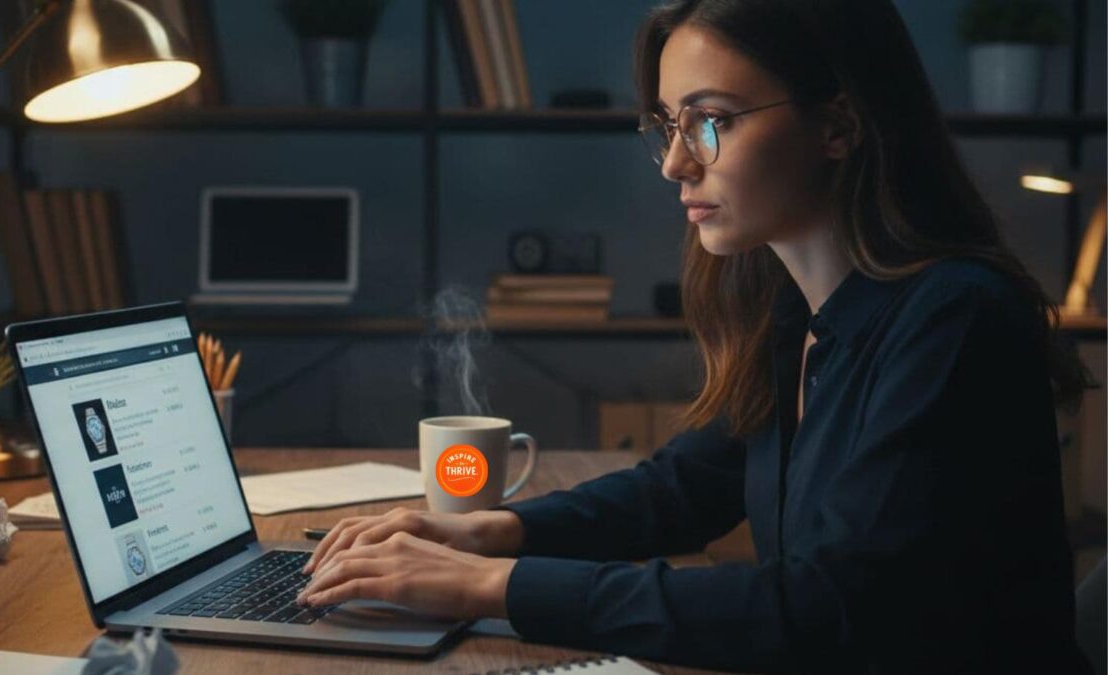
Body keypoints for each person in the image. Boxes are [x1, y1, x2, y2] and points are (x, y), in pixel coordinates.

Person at [295, 0, 1097, 671]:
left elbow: (829, 606)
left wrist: (485, 584)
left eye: (711, 120)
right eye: (669, 125)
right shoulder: (793, 313)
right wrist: (483, 530)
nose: (676, 163)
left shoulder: (956, 319)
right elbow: (680, 490)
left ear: (839, 125)